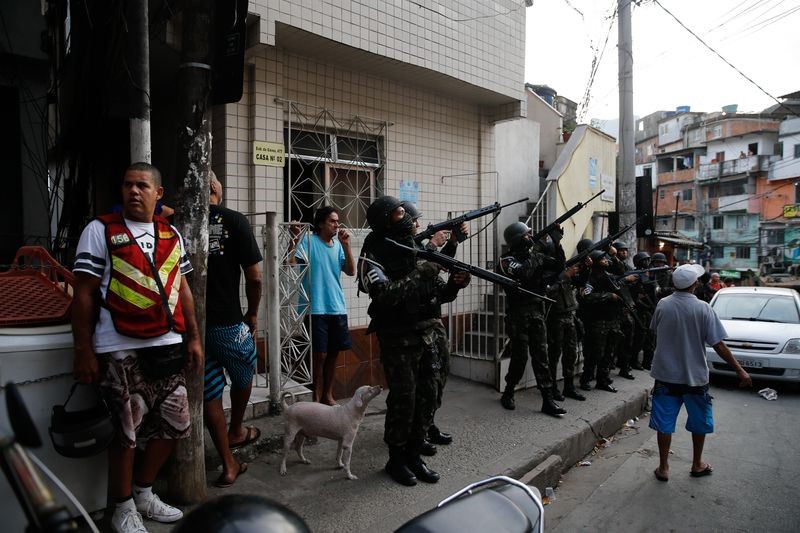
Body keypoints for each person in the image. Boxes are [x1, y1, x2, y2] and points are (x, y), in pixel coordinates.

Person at [72, 162, 203, 533]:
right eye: (128, 184)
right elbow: (83, 293)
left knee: (176, 425)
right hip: (119, 348)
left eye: (142, 186)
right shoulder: (100, 230)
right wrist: (83, 350)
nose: (133, 191)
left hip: (168, 346)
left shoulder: (171, 234)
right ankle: (122, 507)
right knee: (125, 433)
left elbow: (184, 288)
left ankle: (144, 492)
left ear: (158, 193)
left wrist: (194, 337)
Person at [358, 196, 470, 486]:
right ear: (385, 221)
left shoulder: (413, 249)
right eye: (398, 213)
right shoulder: (374, 254)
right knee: (404, 400)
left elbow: (437, 294)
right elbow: (386, 295)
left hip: (425, 335)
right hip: (398, 339)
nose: (407, 218)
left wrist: (455, 285)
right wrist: (424, 267)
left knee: (428, 395)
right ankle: (396, 459)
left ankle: (414, 453)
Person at [649, 263, 752, 482]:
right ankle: (697, 464)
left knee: (664, 423)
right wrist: (740, 370)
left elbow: (654, 330)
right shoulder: (703, 308)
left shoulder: (663, 304)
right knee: (699, 422)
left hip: (666, 376)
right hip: (695, 377)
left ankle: (664, 467)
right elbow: (719, 345)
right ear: (695, 284)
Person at [204, 172, 263, 488]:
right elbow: (255, 278)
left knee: (209, 391)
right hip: (227, 323)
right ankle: (237, 429)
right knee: (245, 367)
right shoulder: (235, 221)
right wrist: (252, 313)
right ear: (216, 187)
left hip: (191, 326)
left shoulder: (177, 222)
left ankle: (228, 464)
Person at [404, 202, 468, 453]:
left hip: (433, 324)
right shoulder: (404, 249)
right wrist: (432, 246)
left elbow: (441, 291)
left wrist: (455, 282)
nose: (418, 225)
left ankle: (427, 423)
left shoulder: (421, 249)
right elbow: (417, 271)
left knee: (438, 378)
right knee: (421, 385)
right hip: (414, 328)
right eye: (413, 220)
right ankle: (414, 434)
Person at [498, 222, 566, 417]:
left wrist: (557, 243)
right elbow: (524, 273)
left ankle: (547, 400)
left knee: (541, 357)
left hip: (536, 312)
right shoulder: (506, 261)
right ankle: (509, 392)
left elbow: (559, 266)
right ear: (517, 239)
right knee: (519, 358)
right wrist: (534, 252)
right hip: (518, 315)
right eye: (527, 235)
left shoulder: (535, 255)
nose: (531, 237)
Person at [289, 206, 356, 405]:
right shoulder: (308, 241)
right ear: (320, 224)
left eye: (337, 221)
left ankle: (327, 395)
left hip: (336, 307)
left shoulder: (338, 245)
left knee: (333, 354)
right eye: (332, 221)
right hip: (314, 307)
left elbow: (351, 271)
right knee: (319, 355)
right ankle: (316, 398)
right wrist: (294, 238)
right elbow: (291, 262)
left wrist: (346, 245)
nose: (337, 225)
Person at [546, 262, 586, 402]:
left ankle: (569, 387)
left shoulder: (568, 277)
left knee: (570, 354)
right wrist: (564, 276)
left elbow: (583, 282)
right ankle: (551, 388)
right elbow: (548, 292)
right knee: (554, 354)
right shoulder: (552, 275)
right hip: (556, 318)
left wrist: (586, 267)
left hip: (569, 316)